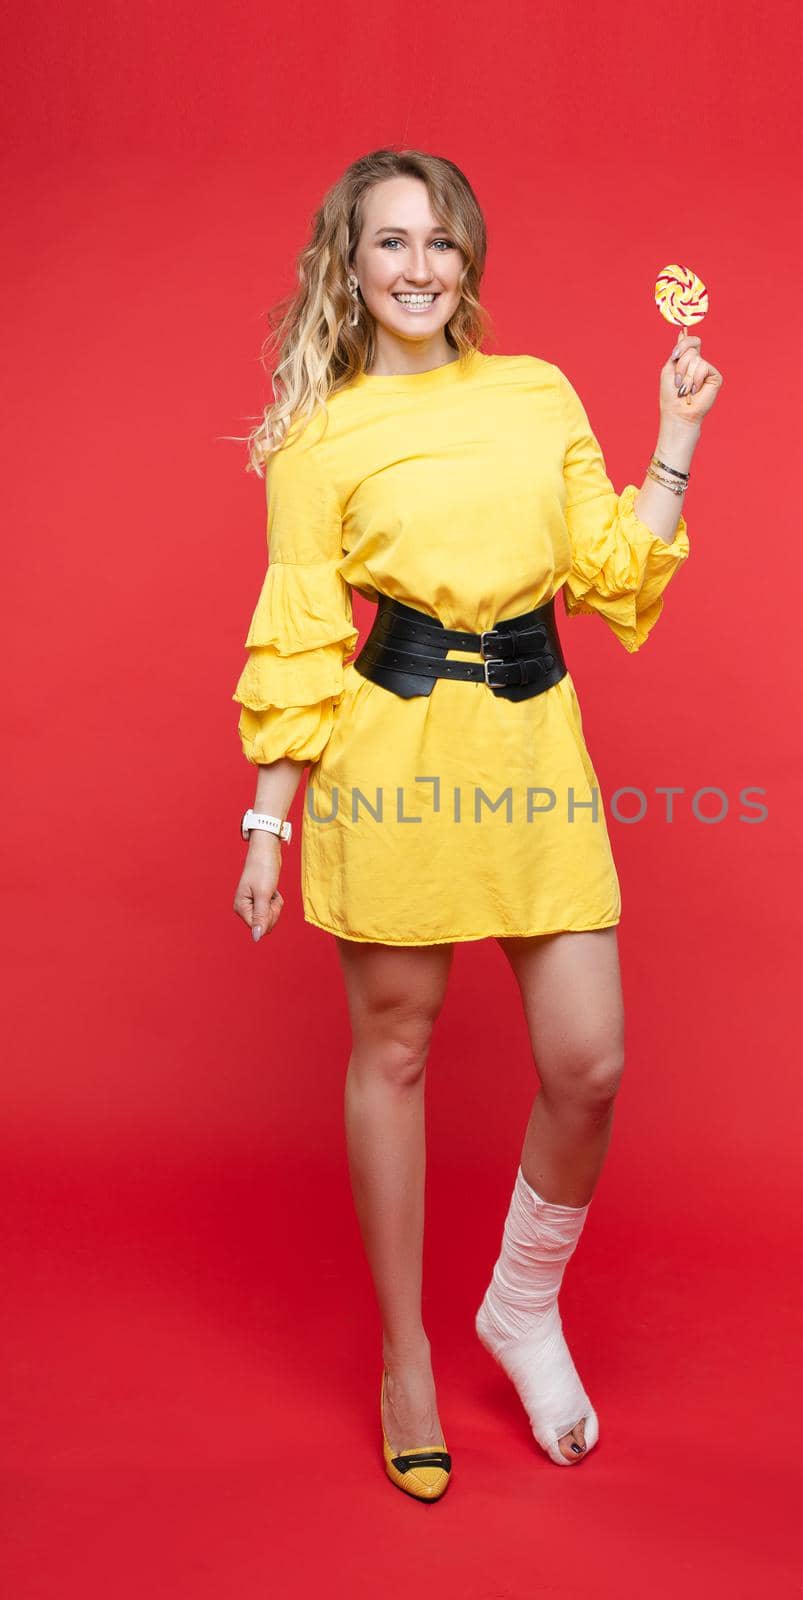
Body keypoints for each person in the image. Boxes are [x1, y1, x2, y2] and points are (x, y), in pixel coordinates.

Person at [230, 147, 722, 1501]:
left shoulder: (535, 392)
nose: (418, 267)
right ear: (350, 263)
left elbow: (612, 577)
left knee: (591, 1063)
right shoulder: (321, 437)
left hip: (531, 745)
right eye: (391, 243)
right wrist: (270, 823)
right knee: (394, 1051)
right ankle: (405, 1362)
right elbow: (301, 639)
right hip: (393, 759)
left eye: (442, 242)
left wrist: (675, 437)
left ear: (471, 261)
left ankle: (519, 1305)